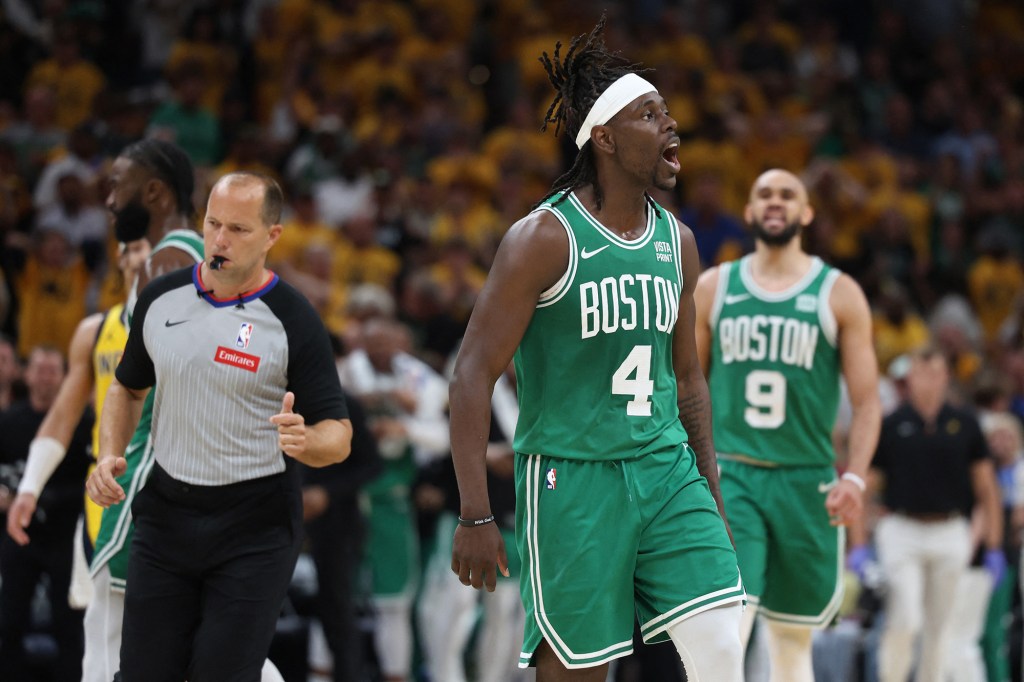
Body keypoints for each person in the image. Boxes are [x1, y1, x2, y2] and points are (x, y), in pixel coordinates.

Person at [448, 17, 745, 681]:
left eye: (668, 113)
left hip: (667, 469)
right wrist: (474, 512)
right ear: (605, 138)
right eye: (649, 115)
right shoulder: (543, 239)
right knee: (580, 672)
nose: (670, 126)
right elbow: (471, 374)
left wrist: (713, 494)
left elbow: (689, 381)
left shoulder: (680, 242)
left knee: (725, 639)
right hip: (573, 477)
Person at [86, 171, 353, 681]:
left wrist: (306, 440)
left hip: (253, 527)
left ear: (272, 236)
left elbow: (338, 437)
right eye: (212, 224)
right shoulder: (160, 299)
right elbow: (126, 387)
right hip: (166, 517)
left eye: (238, 228)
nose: (220, 240)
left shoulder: (293, 319)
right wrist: (108, 454)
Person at [693, 167, 882, 682]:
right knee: (728, 628)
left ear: (806, 213)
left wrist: (857, 477)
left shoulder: (839, 293)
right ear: (749, 212)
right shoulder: (715, 286)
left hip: (808, 482)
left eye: (787, 195)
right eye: (764, 195)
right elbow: (686, 388)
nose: (775, 202)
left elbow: (867, 403)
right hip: (733, 476)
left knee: (792, 640)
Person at [6, 239, 150, 613]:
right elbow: (62, 416)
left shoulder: (188, 329)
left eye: (149, 246)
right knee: (98, 639)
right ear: (120, 258)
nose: (141, 255)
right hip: (107, 493)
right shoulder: (95, 331)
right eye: (132, 246)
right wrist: (30, 485)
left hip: (167, 491)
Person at [868, 345, 1004, 682]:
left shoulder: (966, 424)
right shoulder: (892, 423)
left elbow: (987, 490)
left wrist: (994, 545)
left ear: (946, 377)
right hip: (901, 528)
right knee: (906, 618)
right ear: (909, 378)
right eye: (920, 372)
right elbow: (866, 484)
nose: (928, 380)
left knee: (940, 628)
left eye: (935, 373)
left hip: (950, 529)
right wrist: (858, 542)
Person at [0, 345, 93, 681]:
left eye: (53, 370)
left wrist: (51, 497)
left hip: (66, 535)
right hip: (19, 533)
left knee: (69, 624)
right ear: (26, 375)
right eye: (39, 369)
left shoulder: (83, 422)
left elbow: (92, 480)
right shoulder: (9, 422)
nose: (45, 377)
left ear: (65, 377)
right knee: (9, 621)